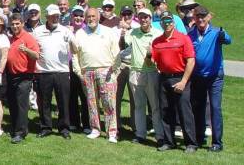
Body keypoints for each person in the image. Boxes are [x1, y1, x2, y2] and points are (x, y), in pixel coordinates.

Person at [152, 11, 198, 153]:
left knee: (184, 112)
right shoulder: (157, 41)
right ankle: (169, 141)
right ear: (161, 23)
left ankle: (191, 143)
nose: (167, 24)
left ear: (173, 22)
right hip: (164, 78)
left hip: (180, 78)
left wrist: (184, 81)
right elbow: (155, 60)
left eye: (169, 21)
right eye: (164, 21)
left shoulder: (183, 39)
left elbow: (190, 61)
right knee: (165, 111)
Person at [72, 8, 121, 143]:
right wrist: (78, 71)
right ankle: (95, 129)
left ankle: (111, 132)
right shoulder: (80, 33)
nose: (91, 19)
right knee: (91, 103)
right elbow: (75, 54)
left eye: (93, 16)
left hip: (106, 71)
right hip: (87, 72)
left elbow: (116, 53)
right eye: (88, 17)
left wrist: (115, 72)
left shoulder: (108, 32)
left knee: (109, 103)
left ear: (98, 17)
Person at [187, 6, 230, 152]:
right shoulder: (190, 34)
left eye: (203, 16)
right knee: (197, 108)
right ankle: (199, 138)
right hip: (198, 76)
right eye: (197, 16)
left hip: (215, 76)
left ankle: (217, 143)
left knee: (215, 108)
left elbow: (228, 40)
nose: (200, 19)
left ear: (209, 17)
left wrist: (224, 37)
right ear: (194, 18)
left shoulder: (217, 32)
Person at [33, 4, 74, 140]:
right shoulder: (37, 31)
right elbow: (33, 49)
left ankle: (64, 128)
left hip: (61, 71)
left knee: (63, 101)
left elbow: (75, 50)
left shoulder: (65, 31)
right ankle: (46, 127)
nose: (56, 18)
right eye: (53, 16)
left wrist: (71, 41)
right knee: (44, 102)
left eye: (58, 16)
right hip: (43, 71)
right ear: (47, 17)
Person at [123, 8, 164, 145]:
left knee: (155, 106)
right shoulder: (133, 32)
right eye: (141, 17)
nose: (144, 19)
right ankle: (140, 134)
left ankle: (160, 135)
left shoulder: (158, 34)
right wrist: (123, 33)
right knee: (139, 106)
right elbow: (123, 44)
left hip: (152, 72)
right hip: (135, 72)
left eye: (146, 17)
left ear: (150, 18)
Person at [5, 13, 39, 144]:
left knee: (21, 104)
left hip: (24, 76)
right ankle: (14, 128)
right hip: (11, 75)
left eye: (17, 24)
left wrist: (26, 50)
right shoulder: (12, 38)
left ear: (23, 24)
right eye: (12, 24)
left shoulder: (28, 38)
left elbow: (36, 55)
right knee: (12, 103)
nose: (15, 26)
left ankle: (21, 132)